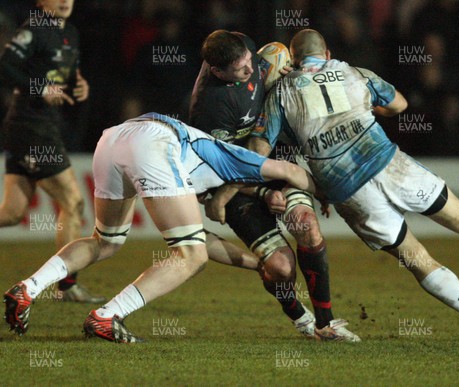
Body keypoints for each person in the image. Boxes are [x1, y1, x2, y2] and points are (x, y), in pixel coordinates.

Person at [245, 29, 459, 342]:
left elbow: (259, 153)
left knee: (415, 257)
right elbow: (399, 103)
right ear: (325, 54)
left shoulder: (282, 94)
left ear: (293, 59)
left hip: (349, 190)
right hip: (389, 162)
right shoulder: (353, 71)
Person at [4, 112, 318, 343]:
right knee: (191, 257)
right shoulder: (235, 159)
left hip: (112, 139)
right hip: (153, 143)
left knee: (106, 241)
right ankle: (107, 316)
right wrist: (330, 194)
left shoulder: (200, 166)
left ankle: (27, 287)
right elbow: (288, 170)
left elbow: (199, 238)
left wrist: (257, 264)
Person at [189, 30, 359, 341]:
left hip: (272, 161)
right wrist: (265, 193)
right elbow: (220, 169)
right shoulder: (211, 109)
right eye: (241, 69)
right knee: (281, 268)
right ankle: (299, 316)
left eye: (249, 60)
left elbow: (272, 68)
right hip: (233, 183)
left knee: (306, 225)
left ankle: (327, 323)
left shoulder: (246, 50)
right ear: (217, 72)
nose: (250, 68)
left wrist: (288, 74)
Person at [0, 0, 103, 302]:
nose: (64, 0)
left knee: (12, 213)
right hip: (31, 126)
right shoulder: (35, 28)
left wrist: (79, 82)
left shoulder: (70, 31)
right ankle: (67, 287)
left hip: (38, 127)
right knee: (73, 202)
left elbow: (65, 72)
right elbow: (5, 67)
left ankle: (65, 287)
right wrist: (40, 88)